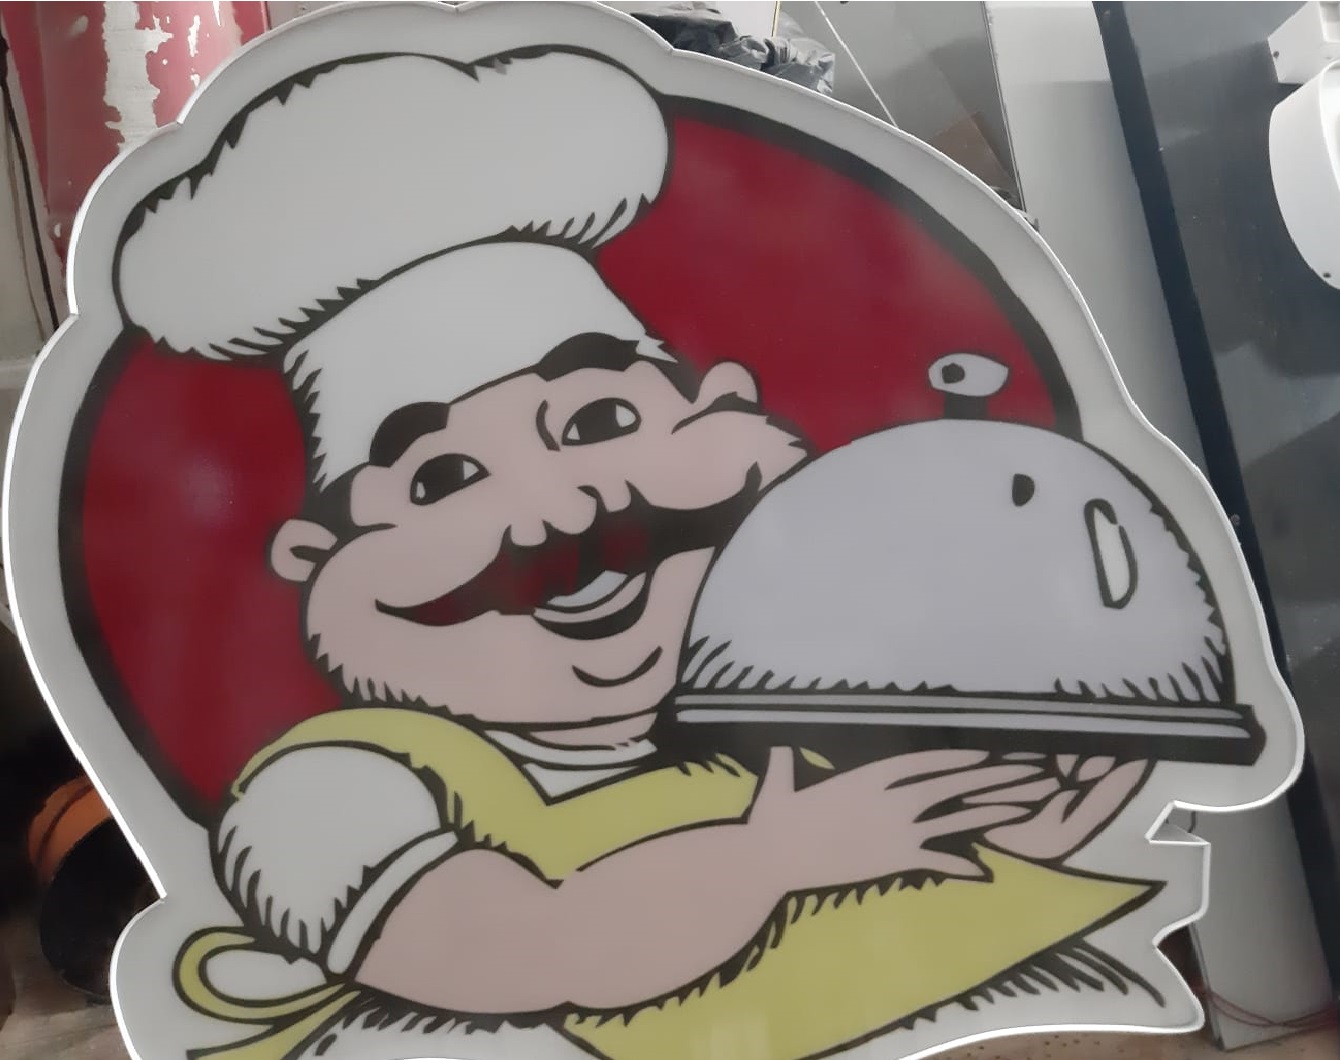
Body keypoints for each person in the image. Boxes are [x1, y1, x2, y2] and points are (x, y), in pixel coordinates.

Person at [120, 47, 1152, 1060]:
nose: (557, 512)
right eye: (442, 478)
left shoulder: (799, 702)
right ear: (318, 558)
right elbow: (521, 947)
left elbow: (910, 889)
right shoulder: (328, 790)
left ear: (727, 412)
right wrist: (774, 858)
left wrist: (1033, 817)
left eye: (599, 421)